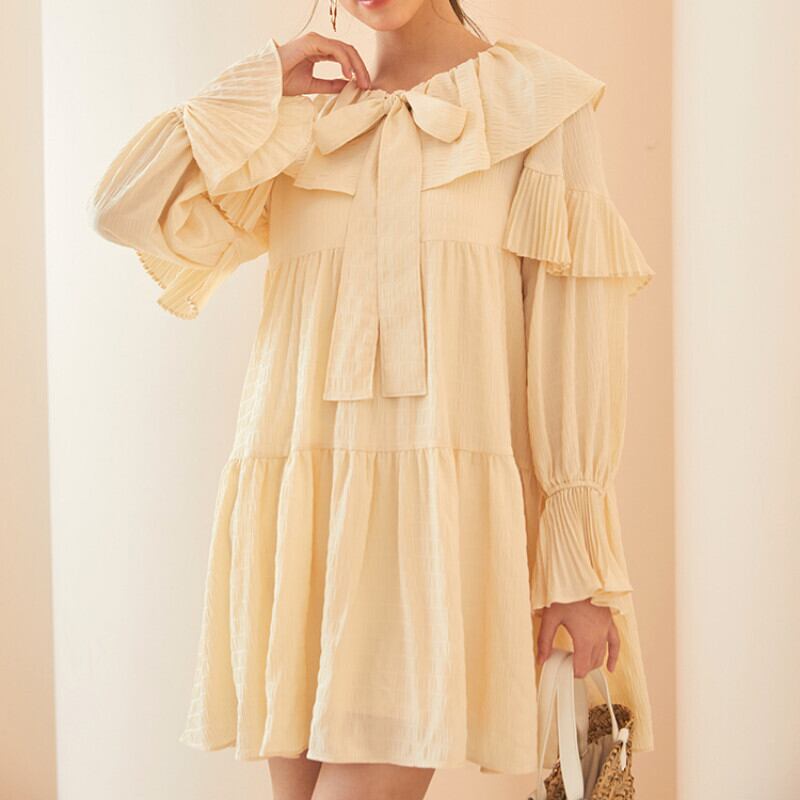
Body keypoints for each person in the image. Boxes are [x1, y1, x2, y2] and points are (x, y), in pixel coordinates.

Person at [87, 1, 656, 798]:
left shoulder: (534, 102)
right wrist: (261, 78)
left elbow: (574, 331)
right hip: (304, 520)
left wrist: (575, 562)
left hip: (431, 525)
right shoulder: (295, 113)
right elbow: (121, 207)